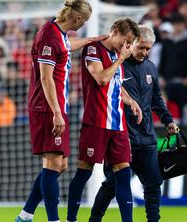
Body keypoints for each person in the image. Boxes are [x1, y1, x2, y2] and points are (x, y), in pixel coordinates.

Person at [15, 1, 108, 221]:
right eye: (84, 22)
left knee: (60, 165)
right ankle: (53, 219)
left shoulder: (57, 33)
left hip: (56, 106)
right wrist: (56, 112)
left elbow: (66, 45)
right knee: (53, 164)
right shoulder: (48, 35)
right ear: (77, 19)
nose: (83, 25)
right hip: (47, 107)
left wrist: (91, 40)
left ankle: (25, 215)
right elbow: (46, 77)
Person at [88, 24, 179, 222]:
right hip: (121, 135)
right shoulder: (116, 64)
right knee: (112, 184)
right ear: (132, 43)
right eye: (141, 47)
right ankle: (95, 219)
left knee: (154, 183)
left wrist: (168, 120)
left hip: (146, 137)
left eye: (148, 49)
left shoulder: (150, 68)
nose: (144, 52)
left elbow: (156, 99)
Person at [66, 18, 141, 222]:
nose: (125, 46)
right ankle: (70, 219)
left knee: (123, 175)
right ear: (114, 31)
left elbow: (115, 83)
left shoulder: (118, 54)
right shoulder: (93, 50)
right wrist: (121, 60)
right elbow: (101, 78)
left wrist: (130, 100)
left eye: (129, 43)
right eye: (125, 40)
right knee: (84, 172)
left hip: (117, 124)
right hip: (96, 122)